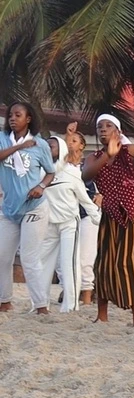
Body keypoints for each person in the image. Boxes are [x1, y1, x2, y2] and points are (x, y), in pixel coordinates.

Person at [82, 114, 134, 326]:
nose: (103, 129)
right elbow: (86, 176)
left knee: (131, 261)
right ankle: (102, 314)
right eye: (99, 126)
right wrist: (107, 155)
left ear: (118, 132)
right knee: (103, 263)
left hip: (133, 213)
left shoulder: (131, 150)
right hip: (109, 213)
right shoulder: (94, 157)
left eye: (108, 125)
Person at [0, 102, 55, 313]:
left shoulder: (40, 145)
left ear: (28, 118)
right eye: (10, 115)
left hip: (34, 208)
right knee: (2, 257)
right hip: (9, 209)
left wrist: (41, 186)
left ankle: (41, 306)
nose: (12, 118)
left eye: (18, 115)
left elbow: (50, 172)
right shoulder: (3, 139)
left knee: (29, 258)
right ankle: (5, 301)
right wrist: (19, 147)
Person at [39, 136, 101, 312]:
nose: (48, 148)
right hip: (49, 224)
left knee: (70, 264)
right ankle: (40, 303)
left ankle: (70, 306)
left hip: (69, 224)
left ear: (61, 150)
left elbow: (85, 199)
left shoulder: (72, 172)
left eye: (52, 146)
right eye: (46, 146)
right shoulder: (40, 173)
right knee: (43, 264)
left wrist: (96, 217)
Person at [64, 122, 101, 305]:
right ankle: (70, 291)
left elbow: (102, 184)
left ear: (82, 146)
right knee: (66, 258)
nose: (71, 143)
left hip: (87, 214)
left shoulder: (89, 164)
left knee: (86, 257)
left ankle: (86, 295)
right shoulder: (61, 166)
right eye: (68, 140)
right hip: (66, 216)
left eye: (75, 140)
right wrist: (66, 134)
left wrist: (101, 195)